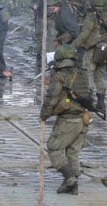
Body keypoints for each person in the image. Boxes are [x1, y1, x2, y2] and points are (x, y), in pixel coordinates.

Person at [39, 44, 94, 195]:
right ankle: (73, 186)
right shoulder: (81, 74)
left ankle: (69, 177)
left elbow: (51, 98)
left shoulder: (60, 76)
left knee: (54, 147)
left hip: (69, 119)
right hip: (84, 118)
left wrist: (43, 115)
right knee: (73, 152)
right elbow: (90, 93)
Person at [75, 0, 107, 113]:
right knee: (100, 76)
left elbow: (85, 33)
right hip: (106, 49)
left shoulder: (92, 16)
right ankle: (101, 102)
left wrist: (73, 46)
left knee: (88, 73)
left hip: (92, 49)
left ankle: (90, 99)